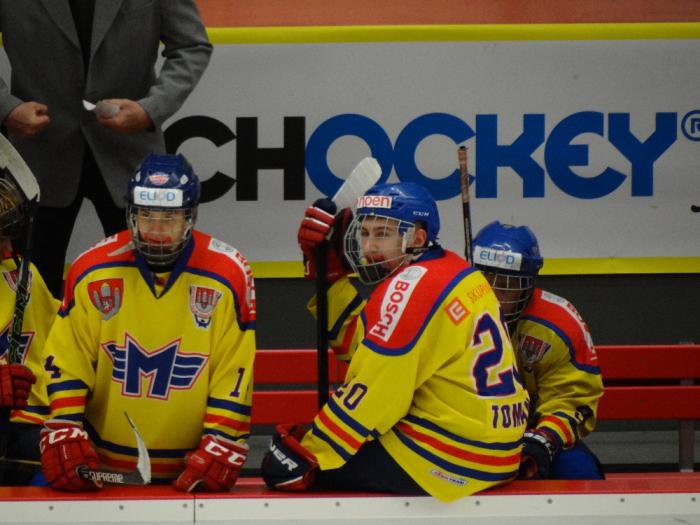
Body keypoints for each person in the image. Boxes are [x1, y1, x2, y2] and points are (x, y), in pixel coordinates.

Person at [261, 182, 529, 502]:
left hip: (450, 458)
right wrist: (331, 281)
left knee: (285, 464)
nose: (369, 246)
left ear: (417, 238)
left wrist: (313, 452)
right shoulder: (456, 269)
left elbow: (376, 390)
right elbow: (363, 349)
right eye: (365, 233)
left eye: (383, 234)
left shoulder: (410, 287)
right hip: (496, 450)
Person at [39, 153, 256, 492]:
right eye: (146, 215)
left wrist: (221, 439)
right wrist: (65, 424)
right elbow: (69, 357)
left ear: (189, 217)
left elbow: (233, 368)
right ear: (132, 214)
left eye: (169, 217)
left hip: (192, 465)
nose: (156, 230)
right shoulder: (92, 269)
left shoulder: (228, 274)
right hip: (102, 465)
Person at [0, 1, 213, 298]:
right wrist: (7, 109)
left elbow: (192, 45)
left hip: (131, 156)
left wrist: (150, 109)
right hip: (38, 159)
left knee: (147, 295)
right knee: (29, 299)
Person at [471, 221, 604, 480]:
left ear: (528, 284)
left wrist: (544, 437)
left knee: (578, 471)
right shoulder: (449, 314)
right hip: (466, 431)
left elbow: (571, 398)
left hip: (533, 431)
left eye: (508, 283)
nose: (495, 294)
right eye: (486, 281)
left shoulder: (557, 324)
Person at [0, 170, 59, 485]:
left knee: (57, 463)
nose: (5, 248)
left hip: (29, 423)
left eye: (5, 237)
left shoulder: (26, 275)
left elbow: (69, 340)